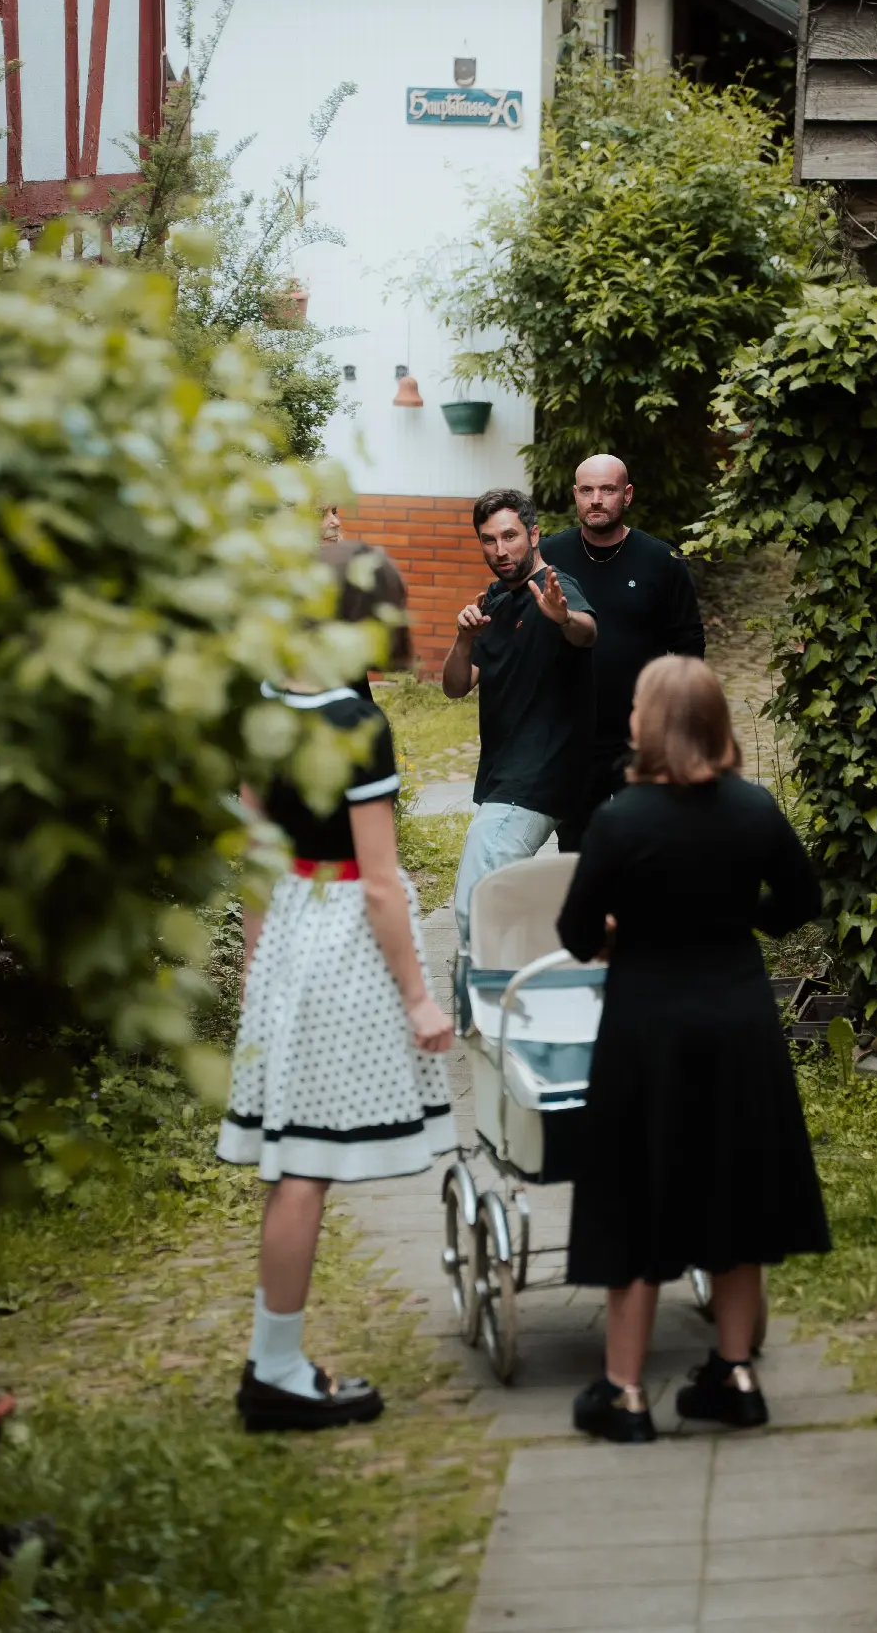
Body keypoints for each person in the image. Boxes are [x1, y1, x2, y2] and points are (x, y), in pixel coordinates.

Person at [556, 655, 830, 1444]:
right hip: (739, 1021)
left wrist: (620, 931)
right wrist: (745, 920)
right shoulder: (753, 809)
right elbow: (802, 901)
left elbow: (576, 933)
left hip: (648, 1029)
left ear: (651, 723)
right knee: (736, 1193)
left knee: (638, 1200)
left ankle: (625, 1393)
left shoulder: (621, 819)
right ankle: (734, 1376)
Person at [219, 541, 455, 1434]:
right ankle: (274, 1373)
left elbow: (255, 853)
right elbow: (383, 882)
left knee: (293, 1163)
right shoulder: (356, 723)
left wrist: (253, 965)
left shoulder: (265, 710)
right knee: (305, 1165)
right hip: (341, 938)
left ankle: (273, 1360)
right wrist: (419, 1000)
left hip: (285, 933)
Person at [444, 488, 596, 943]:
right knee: (497, 906)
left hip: (539, 777)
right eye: (488, 539)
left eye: (510, 536)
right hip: (504, 776)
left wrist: (563, 618)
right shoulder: (493, 599)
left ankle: (491, 1011)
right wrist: (464, 637)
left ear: (533, 533)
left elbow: (586, 633)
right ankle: (526, 997)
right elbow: (455, 686)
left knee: (479, 902)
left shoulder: (556, 588)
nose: (500, 549)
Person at [540, 454, 704, 851]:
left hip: (642, 737)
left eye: (608, 489)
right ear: (575, 495)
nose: (597, 499)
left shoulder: (661, 562)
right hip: (572, 737)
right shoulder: (548, 556)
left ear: (626, 495)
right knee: (578, 852)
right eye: (587, 490)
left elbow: (689, 650)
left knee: (646, 848)